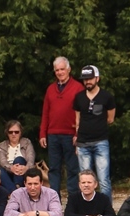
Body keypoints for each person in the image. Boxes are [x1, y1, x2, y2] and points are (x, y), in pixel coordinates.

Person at [39, 56, 84, 198]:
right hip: (53, 134)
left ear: (69, 69)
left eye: (62, 69)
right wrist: (42, 133)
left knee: (73, 169)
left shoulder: (78, 87)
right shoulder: (50, 89)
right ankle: (54, 200)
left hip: (71, 134)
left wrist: (78, 133)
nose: (60, 72)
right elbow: (46, 112)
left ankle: (73, 201)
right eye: (57, 70)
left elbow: (82, 113)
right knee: (53, 169)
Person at [73, 65, 116, 198]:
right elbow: (77, 121)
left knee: (103, 180)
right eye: (85, 79)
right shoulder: (79, 97)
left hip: (100, 142)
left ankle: (106, 211)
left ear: (97, 78)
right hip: (82, 144)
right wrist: (77, 138)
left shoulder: (107, 97)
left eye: (90, 78)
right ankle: (87, 208)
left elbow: (110, 119)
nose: (87, 82)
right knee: (85, 181)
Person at [0, 120, 36, 195]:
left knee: (19, 159)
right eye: (10, 132)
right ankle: (17, 192)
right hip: (7, 171)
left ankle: (16, 187)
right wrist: (11, 168)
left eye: (16, 132)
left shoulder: (26, 142)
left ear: (20, 132)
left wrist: (26, 168)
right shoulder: (1, 146)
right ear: (7, 133)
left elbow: (31, 158)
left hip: (24, 171)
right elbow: (2, 161)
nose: (13, 134)